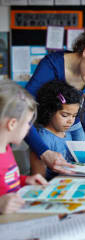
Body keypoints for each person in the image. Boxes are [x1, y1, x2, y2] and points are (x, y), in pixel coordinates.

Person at [24, 27, 85, 175]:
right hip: (48, 127)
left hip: (76, 127)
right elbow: (23, 110)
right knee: (47, 172)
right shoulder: (51, 65)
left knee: (80, 171)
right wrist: (43, 151)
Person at [0, 80, 47, 214]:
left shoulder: (6, 149)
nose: (29, 128)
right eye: (27, 123)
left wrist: (25, 180)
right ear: (12, 124)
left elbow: (7, 181)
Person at [30, 80, 82, 180]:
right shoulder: (43, 138)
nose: (70, 121)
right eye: (65, 115)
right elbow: (38, 178)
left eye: (74, 116)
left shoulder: (67, 132)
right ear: (49, 111)